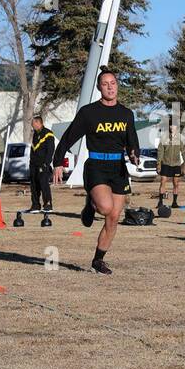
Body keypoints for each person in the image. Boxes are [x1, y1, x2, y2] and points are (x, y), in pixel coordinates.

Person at [52, 69, 140, 275]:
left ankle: (98, 261)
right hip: (96, 167)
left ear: (117, 86)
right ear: (99, 88)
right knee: (105, 207)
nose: (110, 87)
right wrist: (58, 162)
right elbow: (67, 138)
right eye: (105, 84)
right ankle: (91, 204)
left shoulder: (126, 114)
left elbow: (132, 142)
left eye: (113, 83)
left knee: (114, 217)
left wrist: (134, 154)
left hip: (118, 168)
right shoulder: (89, 112)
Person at [28, 116, 55, 213]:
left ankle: (48, 204)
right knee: (34, 185)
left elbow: (50, 150)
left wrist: (46, 163)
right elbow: (33, 149)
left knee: (43, 184)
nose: (32, 125)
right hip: (34, 164)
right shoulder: (35, 134)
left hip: (43, 164)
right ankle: (35, 205)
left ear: (39, 123)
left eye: (33, 123)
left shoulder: (48, 134)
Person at [156, 124, 185, 208]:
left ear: (177, 127)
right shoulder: (164, 137)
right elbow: (160, 151)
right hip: (165, 163)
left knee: (176, 183)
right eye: (170, 125)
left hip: (176, 164)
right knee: (163, 180)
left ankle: (174, 202)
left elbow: (184, 150)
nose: (172, 127)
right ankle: (160, 202)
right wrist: (158, 163)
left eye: (174, 125)